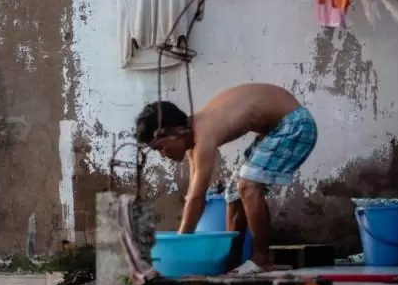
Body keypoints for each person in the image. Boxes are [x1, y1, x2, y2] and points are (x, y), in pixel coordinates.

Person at [133, 84, 318, 274]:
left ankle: (261, 259)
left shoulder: (203, 133)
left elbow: (197, 198)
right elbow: (193, 195)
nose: (163, 155)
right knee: (233, 193)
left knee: (247, 186)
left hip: (295, 124)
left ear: (174, 132)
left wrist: (181, 246)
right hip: (275, 129)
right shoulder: (193, 143)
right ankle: (233, 261)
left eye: (160, 148)